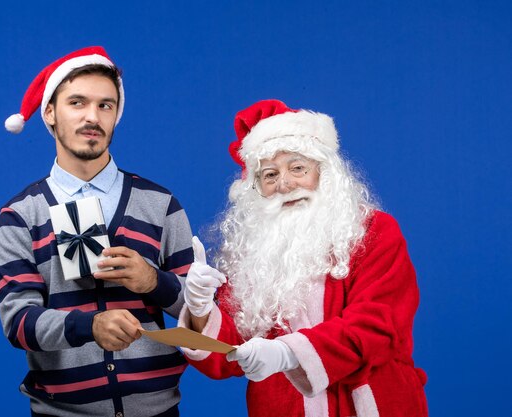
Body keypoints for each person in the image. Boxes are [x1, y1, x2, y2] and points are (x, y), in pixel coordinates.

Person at [179, 99, 428, 417]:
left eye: (297, 168)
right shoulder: (255, 251)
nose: (284, 184)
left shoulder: (375, 232)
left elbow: (377, 326)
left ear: (324, 172)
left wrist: (287, 353)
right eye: (269, 175)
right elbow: (227, 351)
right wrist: (200, 307)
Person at [0, 46, 193, 417]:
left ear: (117, 114)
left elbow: (204, 316)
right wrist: (89, 325)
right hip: (61, 411)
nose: (93, 117)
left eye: (105, 105)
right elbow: (18, 322)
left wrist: (154, 281)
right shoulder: (21, 213)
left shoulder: (161, 204)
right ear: (50, 112)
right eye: (77, 102)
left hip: (158, 410)